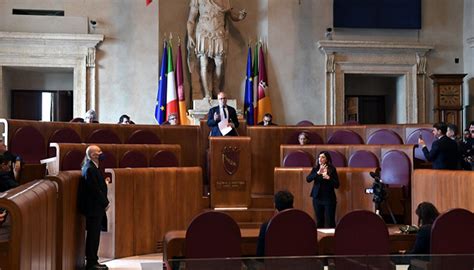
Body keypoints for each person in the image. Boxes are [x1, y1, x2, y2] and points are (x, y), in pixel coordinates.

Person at [187, 0, 246, 98]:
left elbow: (231, 15)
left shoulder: (224, 1)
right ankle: (207, 94)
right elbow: (191, 19)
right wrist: (190, 35)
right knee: (204, 63)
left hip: (218, 32)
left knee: (220, 63)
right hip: (203, 32)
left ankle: (216, 87)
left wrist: (239, 17)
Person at [77, 145, 109, 270]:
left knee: (95, 235)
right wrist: (105, 203)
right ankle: (91, 263)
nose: (101, 153)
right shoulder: (90, 169)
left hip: (96, 208)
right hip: (93, 209)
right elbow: (94, 190)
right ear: (92, 155)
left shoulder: (92, 167)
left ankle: (94, 260)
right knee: (93, 236)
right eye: (98, 152)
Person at [306, 151, 340, 228]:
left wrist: (329, 178)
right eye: (319, 157)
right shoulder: (316, 168)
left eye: (323, 157)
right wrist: (318, 173)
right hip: (317, 197)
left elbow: (337, 185)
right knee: (319, 220)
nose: (320, 159)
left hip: (329, 198)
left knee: (330, 221)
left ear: (327, 159)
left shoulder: (332, 169)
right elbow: (308, 179)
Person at [256, 190, 294, 256]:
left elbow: (260, 255)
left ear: (275, 205)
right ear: (292, 205)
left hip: (274, 265)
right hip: (301, 265)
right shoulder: (304, 224)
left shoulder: (266, 226)